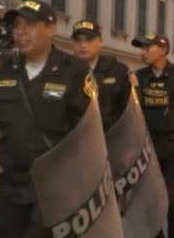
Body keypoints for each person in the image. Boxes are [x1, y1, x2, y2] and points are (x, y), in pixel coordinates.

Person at [0, 0, 93, 237]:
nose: (21, 32)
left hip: (53, 189)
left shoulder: (73, 71)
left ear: (50, 28)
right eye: (17, 26)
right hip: (11, 187)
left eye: (30, 25)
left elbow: (89, 131)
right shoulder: (7, 70)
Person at [131, 32, 174, 237]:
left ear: (164, 50)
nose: (143, 52)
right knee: (150, 199)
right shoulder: (138, 77)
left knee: (172, 199)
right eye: (142, 48)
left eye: (148, 47)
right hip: (147, 147)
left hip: (172, 147)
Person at [71, 20, 130, 131]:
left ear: (100, 42)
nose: (83, 45)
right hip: (76, 142)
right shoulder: (65, 70)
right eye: (78, 40)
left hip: (110, 141)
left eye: (89, 40)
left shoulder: (118, 71)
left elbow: (131, 113)